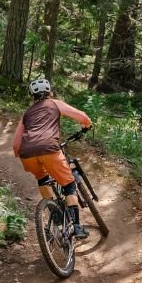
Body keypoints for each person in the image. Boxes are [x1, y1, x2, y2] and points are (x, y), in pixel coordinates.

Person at [13, 78, 94, 240]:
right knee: (68, 184)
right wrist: (87, 125)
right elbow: (81, 116)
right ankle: (77, 226)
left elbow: (16, 143)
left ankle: (54, 213)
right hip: (49, 149)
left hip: (27, 153)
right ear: (49, 92)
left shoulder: (27, 113)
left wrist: (20, 154)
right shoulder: (54, 103)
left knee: (42, 178)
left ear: (32, 96)